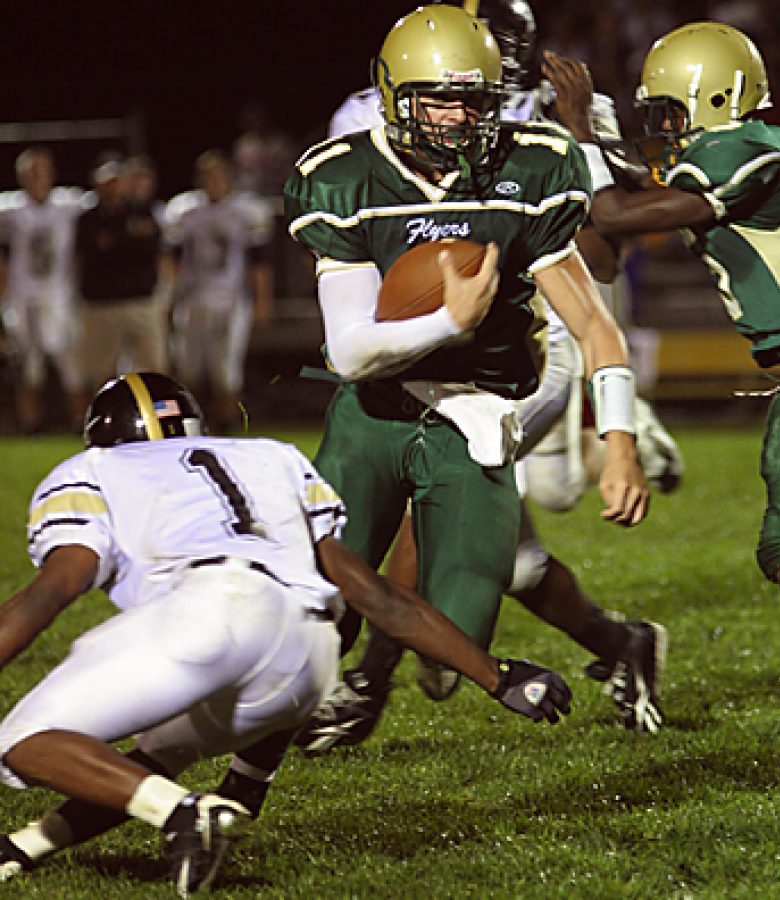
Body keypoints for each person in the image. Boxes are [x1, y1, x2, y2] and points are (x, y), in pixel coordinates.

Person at [0, 371, 571, 893]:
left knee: (19, 741)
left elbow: (54, 590)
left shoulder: (93, 470)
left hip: (210, 614)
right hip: (309, 654)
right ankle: (25, 848)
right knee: (159, 757)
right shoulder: (271, 456)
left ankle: (184, 814)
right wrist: (497, 676)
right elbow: (373, 594)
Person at [304, 0, 670, 752]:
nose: (453, 118)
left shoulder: (544, 144)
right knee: (506, 557)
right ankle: (618, 641)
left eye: (475, 96)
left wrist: (622, 439)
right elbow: (354, 330)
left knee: (439, 536)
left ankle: (376, 670)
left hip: (512, 365)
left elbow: (605, 276)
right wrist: (442, 315)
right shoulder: (351, 156)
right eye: (436, 98)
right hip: (397, 359)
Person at [546, 21, 780, 761]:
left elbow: (617, 213)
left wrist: (580, 133)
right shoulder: (722, 156)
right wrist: (588, 164)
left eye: (671, 110)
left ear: (713, 95)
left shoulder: (749, 145)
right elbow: (606, 251)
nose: (665, 127)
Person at [163, 150, 274, 432]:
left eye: (218, 176)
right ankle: (191, 423)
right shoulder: (184, 210)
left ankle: (228, 423)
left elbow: (259, 262)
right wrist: (167, 298)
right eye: (207, 176)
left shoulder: (245, 211)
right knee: (187, 368)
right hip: (192, 299)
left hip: (232, 299)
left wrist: (263, 300)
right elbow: (171, 261)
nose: (213, 182)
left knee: (226, 369)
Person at [0, 147, 88, 432]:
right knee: (28, 367)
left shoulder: (69, 202)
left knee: (71, 364)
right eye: (30, 171)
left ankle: (82, 422)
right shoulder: (10, 208)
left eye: (41, 170)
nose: (36, 177)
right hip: (22, 298)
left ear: (52, 173)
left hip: (60, 297)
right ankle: (30, 426)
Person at [75, 152, 168, 394]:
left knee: (153, 369)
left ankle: (156, 422)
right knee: (101, 373)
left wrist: (117, 242)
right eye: (107, 182)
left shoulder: (144, 211)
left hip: (139, 301)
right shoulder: (88, 218)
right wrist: (127, 240)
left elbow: (150, 247)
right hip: (101, 304)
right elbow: (93, 253)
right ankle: (104, 422)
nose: (112, 188)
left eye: (116, 181)